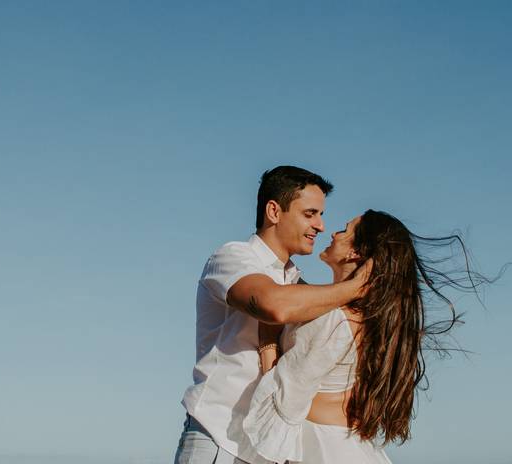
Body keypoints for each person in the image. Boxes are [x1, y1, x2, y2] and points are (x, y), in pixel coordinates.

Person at [244, 209, 495, 464]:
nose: (332, 233)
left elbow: (287, 398)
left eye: (345, 230)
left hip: (320, 448)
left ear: (356, 252)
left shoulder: (334, 319)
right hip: (347, 446)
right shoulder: (367, 318)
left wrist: (267, 338)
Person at [174, 165, 372, 464]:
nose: (320, 226)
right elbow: (273, 305)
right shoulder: (233, 257)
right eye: (310, 214)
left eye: (320, 214)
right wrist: (357, 286)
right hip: (219, 439)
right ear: (274, 212)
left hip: (267, 450)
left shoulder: (295, 282)